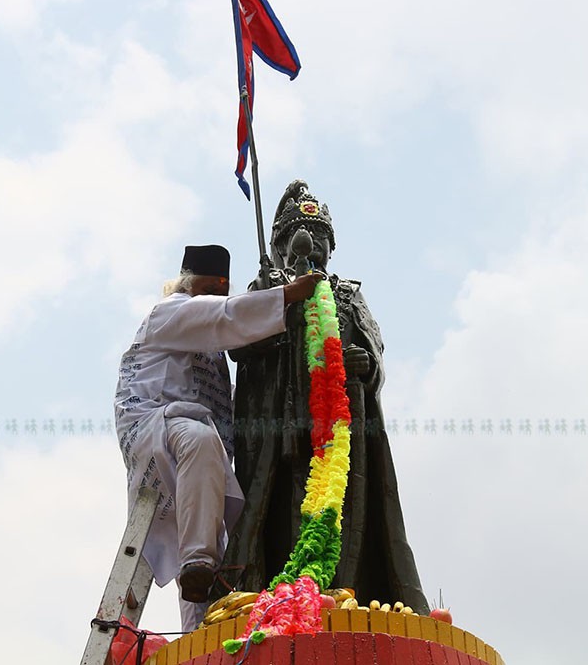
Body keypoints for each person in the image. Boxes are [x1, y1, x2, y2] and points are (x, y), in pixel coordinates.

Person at [220, 181, 430, 613]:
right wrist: (281, 308)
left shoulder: (348, 294)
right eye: (301, 237)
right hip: (277, 430)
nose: (311, 246)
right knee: (278, 513)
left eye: (320, 239)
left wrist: (365, 365)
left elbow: (376, 351)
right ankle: (278, 597)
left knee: (348, 513)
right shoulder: (267, 288)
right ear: (279, 245)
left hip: (341, 429)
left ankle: (343, 593)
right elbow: (237, 345)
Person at [114, 244, 322, 630]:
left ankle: (200, 628)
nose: (220, 296)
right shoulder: (170, 313)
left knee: (215, 563)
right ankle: (196, 561)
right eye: (216, 288)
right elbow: (225, 318)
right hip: (155, 426)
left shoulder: (210, 350)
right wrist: (286, 296)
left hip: (198, 456)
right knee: (199, 443)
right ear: (195, 284)